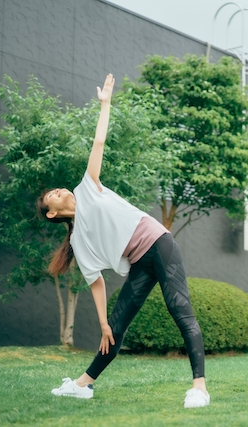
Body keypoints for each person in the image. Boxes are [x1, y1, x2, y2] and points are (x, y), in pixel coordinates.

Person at [37, 74, 210, 408]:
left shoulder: (85, 187)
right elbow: (96, 282)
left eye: (55, 190)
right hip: (139, 262)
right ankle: (83, 385)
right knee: (114, 326)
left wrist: (105, 104)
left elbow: (98, 143)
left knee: (179, 310)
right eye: (50, 197)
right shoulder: (79, 244)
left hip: (159, 243)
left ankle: (199, 388)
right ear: (51, 213)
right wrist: (102, 323)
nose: (56, 192)